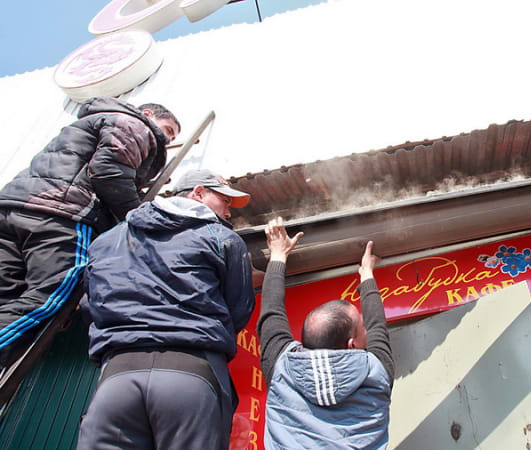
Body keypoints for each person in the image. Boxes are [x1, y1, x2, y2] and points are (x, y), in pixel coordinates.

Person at [77, 169, 255, 450]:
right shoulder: (221, 238)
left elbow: (91, 304)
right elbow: (239, 307)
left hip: (116, 377)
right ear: (198, 192)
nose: (229, 212)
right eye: (225, 201)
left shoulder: (106, 240)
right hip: (191, 372)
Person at [0, 97, 180, 367]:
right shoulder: (134, 124)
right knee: (51, 298)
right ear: (147, 114)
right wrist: (137, 216)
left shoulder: (88, 123)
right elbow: (109, 172)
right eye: (168, 130)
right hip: (60, 214)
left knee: (6, 298)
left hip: (13, 208)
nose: (167, 139)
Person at [259, 218, 394, 449]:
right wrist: (367, 275)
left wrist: (278, 255)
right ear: (351, 345)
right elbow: (379, 328)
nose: (367, 329)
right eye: (362, 327)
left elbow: (271, 313)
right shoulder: (377, 374)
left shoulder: (281, 366)